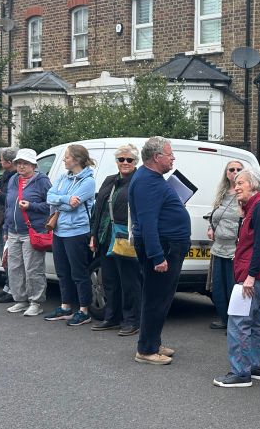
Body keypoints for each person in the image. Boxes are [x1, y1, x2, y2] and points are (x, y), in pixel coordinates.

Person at [213, 167, 260, 388]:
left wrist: (250, 277)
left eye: (240, 183)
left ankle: (240, 372)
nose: (236, 187)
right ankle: (258, 367)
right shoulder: (256, 206)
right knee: (256, 318)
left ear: (252, 184)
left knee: (238, 320)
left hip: (253, 274)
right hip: (255, 272)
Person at [128, 136, 191, 366]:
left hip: (168, 244)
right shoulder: (147, 181)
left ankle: (153, 342)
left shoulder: (152, 178)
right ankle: (146, 350)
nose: (173, 157)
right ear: (157, 157)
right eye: (169, 154)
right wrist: (157, 257)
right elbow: (147, 223)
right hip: (163, 248)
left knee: (160, 298)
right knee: (156, 299)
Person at [88, 144, 143, 335]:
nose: (125, 163)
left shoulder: (139, 181)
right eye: (121, 159)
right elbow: (98, 209)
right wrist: (93, 235)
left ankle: (131, 321)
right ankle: (111, 318)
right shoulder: (109, 180)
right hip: (106, 236)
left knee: (129, 282)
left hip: (126, 238)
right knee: (109, 280)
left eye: (129, 160)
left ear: (136, 162)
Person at [43, 144, 97, 326]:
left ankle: (84, 310)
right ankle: (65, 307)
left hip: (77, 231)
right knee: (63, 272)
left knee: (79, 272)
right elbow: (49, 196)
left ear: (76, 159)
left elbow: (74, 204)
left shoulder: (88, 181)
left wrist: (61, 201)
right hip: (59, 230)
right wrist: (65, 199)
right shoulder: (63, 177)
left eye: (67, 157)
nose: (64, 159)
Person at [2, 148, 52, 317]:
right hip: (14, 230)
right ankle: (20, 300)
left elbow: (50, 205)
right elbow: (9, 206)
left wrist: (32, 206)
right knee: (15, 268)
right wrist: (6, 228)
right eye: (18, 163)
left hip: (32, 231)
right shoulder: (13, 180)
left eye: (25, 163)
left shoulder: (42, 181)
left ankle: (36, 302)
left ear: (33, 165)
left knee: (33, 268)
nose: (21, 167)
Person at [206, 159, 245, 330]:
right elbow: (214, 214)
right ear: (226, 173)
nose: (234, 172)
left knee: (232, 288)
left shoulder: (245, 194)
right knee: (218, 288)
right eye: (231, 169)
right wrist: (211, 227)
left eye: (238, 169)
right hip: (218, 247)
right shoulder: (221, 193)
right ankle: (223, 319)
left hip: (234, 249)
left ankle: (234, 324)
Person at [0, 146, 18, 303]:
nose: (0, 162)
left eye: (1, 159)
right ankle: (7, 286)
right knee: (3, 252)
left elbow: (13, 199)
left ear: (9, 162)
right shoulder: (6, 174)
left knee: (9, 255)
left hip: (9, 220)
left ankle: (13, 289)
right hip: (2, 220)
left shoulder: (17, 176)